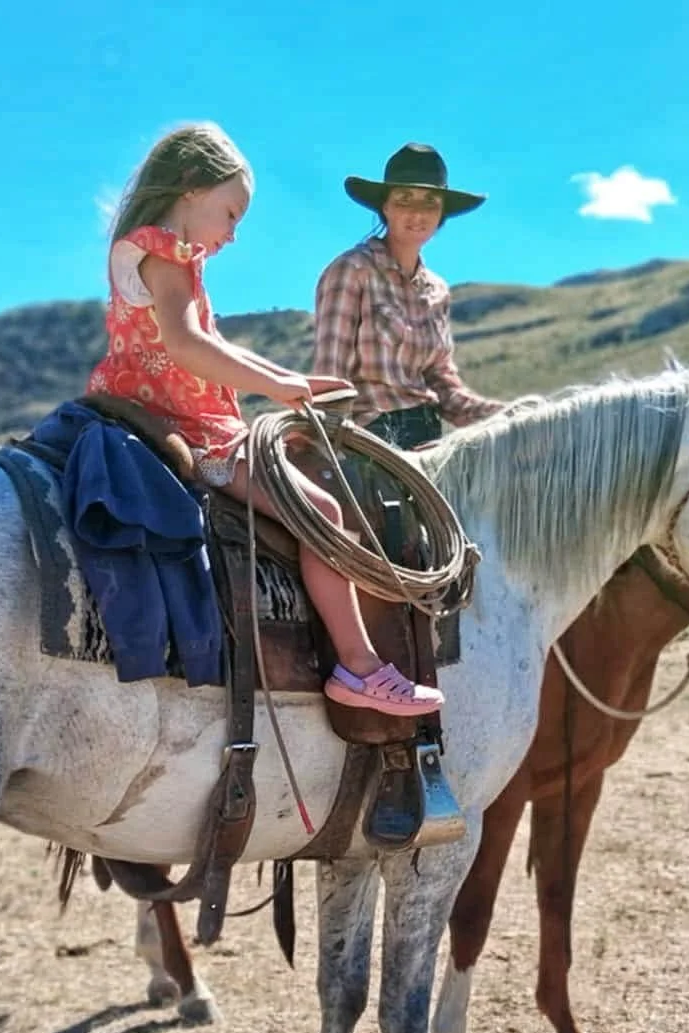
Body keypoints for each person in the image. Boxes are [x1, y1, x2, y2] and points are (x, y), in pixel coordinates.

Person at [89, 123, 443, 717]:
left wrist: (295, 385)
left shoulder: (159, 253)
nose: (232, 234)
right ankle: (357, 668)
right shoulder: (163, 251)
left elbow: (214, 345)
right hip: (180, 426)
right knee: (323, 510)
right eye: (230, 214)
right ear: (190, 188)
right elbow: (186, 344)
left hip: (179, 414)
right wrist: (281, 387)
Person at [314, 143, 507, 450]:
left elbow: (444, 387)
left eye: (430, 202)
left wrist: (505, 415)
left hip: (429, 442)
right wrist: (334, 451)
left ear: (442, 212)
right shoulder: (352, 271)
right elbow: (330, 380)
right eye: (404, 200)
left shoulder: (437, 291)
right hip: (370, 442)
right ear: (385, 207)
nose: (417, 213)